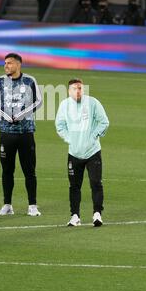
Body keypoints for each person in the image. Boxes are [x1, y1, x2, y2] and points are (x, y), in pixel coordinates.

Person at [55, 78, 109, 227]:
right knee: (74, 186)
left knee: (96, 183)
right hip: (74, 152)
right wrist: (69, 139)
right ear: (69, 91)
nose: (77, 91)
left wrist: (93, 137)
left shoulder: (92, 103)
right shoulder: (64, 105)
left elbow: (104, 122)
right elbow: (59, 125)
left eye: (80, 88)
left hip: (92, 152)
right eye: (74, 88)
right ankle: (75, 216)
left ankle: (97, 214)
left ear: (83, 89)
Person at [0, 53, 42, 217]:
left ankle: (32, 205)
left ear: (18, 65)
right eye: (5, 63)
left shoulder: (29, 80)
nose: (6, 65)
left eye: (9, 63)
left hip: (25, 132)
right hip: (6, 133)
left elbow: (39, 101)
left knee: (29, 170)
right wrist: (7, 116)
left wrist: (22, 114)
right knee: (7, 170)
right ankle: (7, 205)